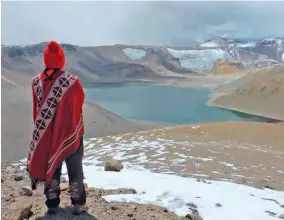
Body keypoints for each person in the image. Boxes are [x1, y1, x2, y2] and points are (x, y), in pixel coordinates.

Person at [27, 41, 87, 215]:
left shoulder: (36, 82)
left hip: (45, 133)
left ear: (46, 60)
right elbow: (79, 101)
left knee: (51, 166)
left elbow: (36, 109)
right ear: (61, 60)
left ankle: (52, 202)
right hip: (70, 132)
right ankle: (78, 203)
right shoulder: (72, 81)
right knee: (75, 168)